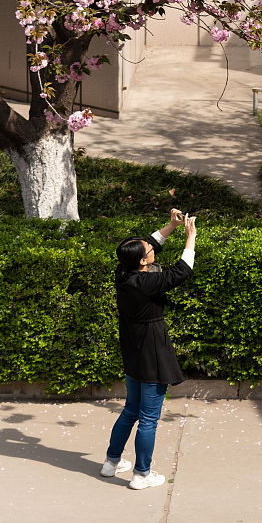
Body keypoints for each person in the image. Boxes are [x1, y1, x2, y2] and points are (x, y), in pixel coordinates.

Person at [101, 209, 197, 489]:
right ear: (143, 261)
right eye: (147, 250)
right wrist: (190, 236)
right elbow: (182, 271)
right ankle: (142, 474)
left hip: (133, 350)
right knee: (149, 419)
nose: (151, 246)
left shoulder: (124, 272)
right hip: (153, 350)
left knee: (131, 409)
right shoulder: (146, 282)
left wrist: (170, 226)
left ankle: (111, 462)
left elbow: (151, 243)